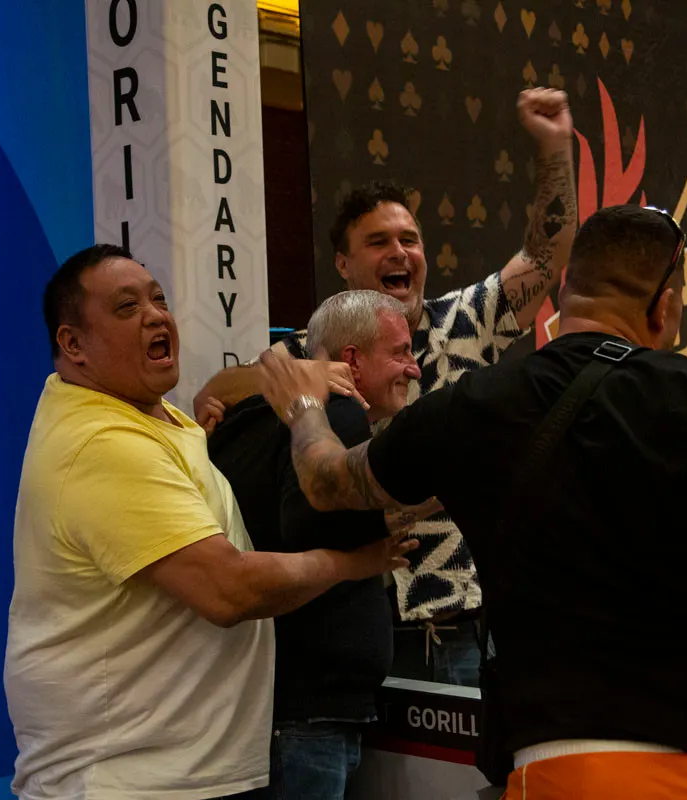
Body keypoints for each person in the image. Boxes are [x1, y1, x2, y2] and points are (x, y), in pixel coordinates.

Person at [257, 205, 687, 799]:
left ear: (565, 290)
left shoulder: (471, 407)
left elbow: (327, 482)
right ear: (666, 308)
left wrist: (304, 405)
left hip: (568, 762)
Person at [195, 87, 578, 685]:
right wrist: (307, 374)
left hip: (457, 625)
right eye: (378, 242)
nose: (400, 251)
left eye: (409, 239)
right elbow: (219, 387)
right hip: (354, 628)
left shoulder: (468, 319)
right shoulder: (313, 346)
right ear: (343, 264)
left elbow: (547, 255)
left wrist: (555, 147)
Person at [3, 245, 415, 800]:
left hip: (183, 771)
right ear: (73, 344)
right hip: (128, 778)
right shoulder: (101, 443)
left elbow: (220, 388)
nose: (156, 316)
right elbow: (229, 589)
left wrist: (296, 376)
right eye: (127, 307)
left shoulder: (159, 417)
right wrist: (353, 563)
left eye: (159, 299)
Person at [208, 290, 428, 799]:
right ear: (352, 360)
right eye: (401, 352)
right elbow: (308, 518)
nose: (414, 368)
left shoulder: (248, 416)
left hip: (275, 709)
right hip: (306, 719)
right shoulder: (339, 414)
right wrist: (386, 525)